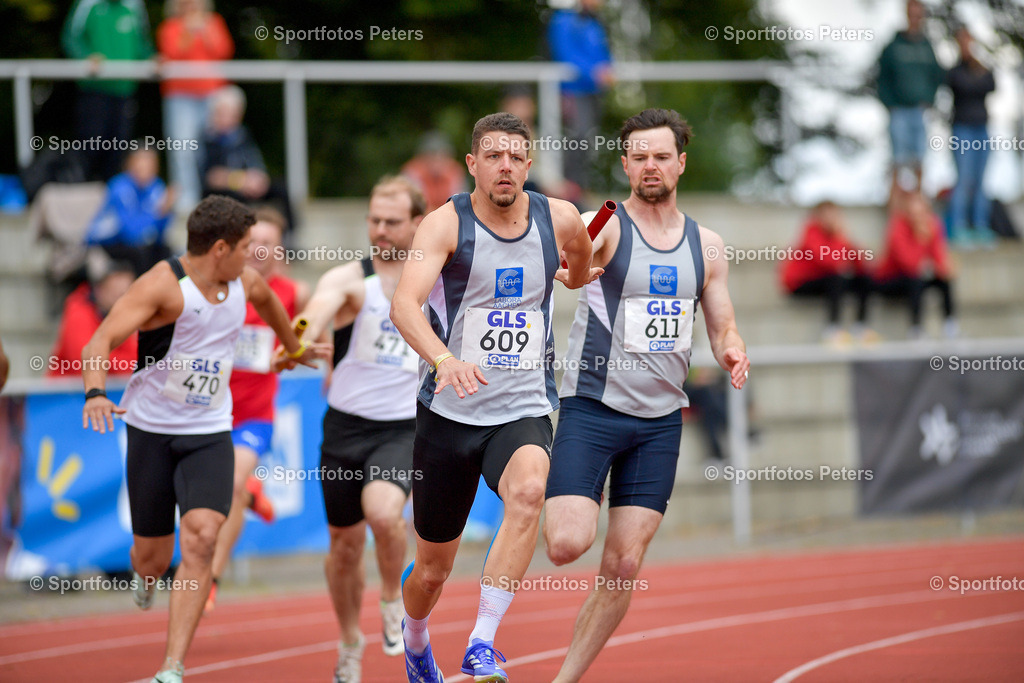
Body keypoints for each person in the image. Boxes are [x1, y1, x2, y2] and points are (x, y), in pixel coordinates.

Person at [390, 112, 600, 682]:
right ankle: (415, 640)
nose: (505, 166)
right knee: (432, 570)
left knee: (530, 491)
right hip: (449, 413)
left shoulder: (557, 219)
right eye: (493, 156)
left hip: (523, 405)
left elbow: (581, 264)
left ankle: (482, 642)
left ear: (528, 166)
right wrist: (445, 360)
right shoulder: (443, 225)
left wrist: (577, 275)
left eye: (515, 156)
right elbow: (404, 306)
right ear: (473, 165)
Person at [80, 195, 326, 683]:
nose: (253, 258)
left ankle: (172, 666)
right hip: (152, 432)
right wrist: (93, 393)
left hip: (211, 430)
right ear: (220, 249)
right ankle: (146, 577)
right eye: (246, 248)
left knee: (202, 537)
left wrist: (293, 348)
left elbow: (271, 303)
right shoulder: (162, 288)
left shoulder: (245, 282)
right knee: (151, 557)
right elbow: (98, 341)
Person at [543, 108, 750, 683]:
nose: (650, 166)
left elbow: (722, 323)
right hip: (593, 408)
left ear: (681, 163)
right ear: (627, 164)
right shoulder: (606, 224)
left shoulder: (706, 247)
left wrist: (731, 348)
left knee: (625, 562)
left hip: (659, 423)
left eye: (661, 156)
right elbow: (574, 252)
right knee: (564, 543)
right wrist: (573, 266)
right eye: (639, 157)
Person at [291, 176, 425, 683]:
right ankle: (350, 639)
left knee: (384, 513)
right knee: (344, 547)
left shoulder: (435, 277)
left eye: (392, 221)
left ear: (417, 222)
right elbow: (312, 314)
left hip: (403, 426)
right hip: (345, 430)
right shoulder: (351, 280)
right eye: (374, 220)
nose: (381, 230)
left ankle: (393, 595)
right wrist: (297, 339)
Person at [204, 207, 309, 613]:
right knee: (211, 492)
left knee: (229, 483)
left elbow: (315, 325)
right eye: (254, 243)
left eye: (268, 244)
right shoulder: (218, 289)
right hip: (208, 413)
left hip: (254, 416)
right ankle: (251, 495)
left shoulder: (292, 292)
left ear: (279, 251)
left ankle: (211, 576)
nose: (259, 251)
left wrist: (299, 345)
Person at [61, 0, 155, 181]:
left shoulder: (135, 6)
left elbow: (141, 43)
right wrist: (85, 56)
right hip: (94, 89)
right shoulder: (87, 4)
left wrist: (152, 58)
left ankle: (112, 200)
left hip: (125, 90)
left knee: (119, 148)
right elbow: (70, 37)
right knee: (91, 145)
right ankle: (83, 194)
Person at [157, 0, 235, 211]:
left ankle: (216, 197)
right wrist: (189, 32)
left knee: (212, 146)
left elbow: (224, 51)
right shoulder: (170, 26)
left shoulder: (214, 22)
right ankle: (186, 201)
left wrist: (206, 30)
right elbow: (172, 53)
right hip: (180, 96)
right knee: (183, 148)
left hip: (211, 94)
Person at [779, 201, 876, 345]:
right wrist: (841, 238)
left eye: (834, 214)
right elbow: (828, 261)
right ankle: (832, 329)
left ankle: (860, 327)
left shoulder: (838, 235)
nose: (831, 218)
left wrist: (848, 240)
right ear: (818, 217)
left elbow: (860, 264)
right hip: (800, 282)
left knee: (864, 280)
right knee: (836, 279)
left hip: (825, 280)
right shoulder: (811, 232)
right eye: (827, 215)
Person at [876, 0, 945, 200]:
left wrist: (929, 99)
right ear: (906, 14)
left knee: (920, 161)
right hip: (898, 112)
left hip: (919, 111)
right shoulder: (893, 47)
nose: (916, 17)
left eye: (919, 13)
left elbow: (937, 76)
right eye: (912, 12)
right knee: (897, 161)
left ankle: (919, 211)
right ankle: (895, 213)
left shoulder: (927, 47)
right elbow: (882, 78)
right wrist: (890, 104)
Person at [201, 85, 295, 232]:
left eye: (233, 114)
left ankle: (290, 236)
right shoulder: (207, 138)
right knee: (233, 199)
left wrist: (259, 178)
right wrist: (240, 181)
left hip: (248, 185)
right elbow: (211, 177)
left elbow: (255, 161)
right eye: (224, 113)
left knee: (280, 188)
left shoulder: (242, 134)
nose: (229, 118)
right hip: (224, 190)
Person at [547, 0, 615, 193]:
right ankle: (570, 188)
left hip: (592, 92)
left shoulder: (595, 23)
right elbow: (564, 54)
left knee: (588, 139)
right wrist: (594, 72)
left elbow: (604, 56)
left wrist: (608, 70)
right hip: (572, 91)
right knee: (577, 137)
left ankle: (580, 188)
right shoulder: (563, 20)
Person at [874, 192, 958, 339]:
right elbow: (908, 263)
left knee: (944, 281)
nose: (917, 217)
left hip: (917, 275)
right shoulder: (897, 227)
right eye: (913, 213)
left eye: (921, 212)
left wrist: (944, 268)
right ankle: (916, 329)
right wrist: (921, 239)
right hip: (892, 278)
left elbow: (940, 258)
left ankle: (950, 326)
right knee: (915, 279)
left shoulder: (934, 224)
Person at [86, 147, 176, 276]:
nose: (146, 171)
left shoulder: (156, 186)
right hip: (106, 241)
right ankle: (143, 294)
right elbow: (130, 233)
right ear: (130, 165)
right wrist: (160, 213)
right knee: (140, 253)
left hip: (133, 241)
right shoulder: (120, 187)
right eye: (141, 165)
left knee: (165, 251)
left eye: (150, 166)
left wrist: (165, 214)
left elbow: (159, 236)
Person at [946, 26, 997, 248]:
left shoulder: (981, 67)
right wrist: (976, 80)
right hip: (962, 129)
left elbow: (992, 84)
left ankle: (980, 227)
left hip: (982, 129)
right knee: (964, 179)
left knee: (981, 181)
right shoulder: (955, 70)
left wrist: (976, 80)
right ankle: (958, 228)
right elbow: (963, 86)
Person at [48, 256, 138, 377]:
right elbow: (84, 361)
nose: (122, 300)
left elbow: (135, 360)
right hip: (67, 392)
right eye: (117, 293)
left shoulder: (124, 316)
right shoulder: (78, 310)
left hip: (105, 389)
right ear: (99, 288)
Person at [401, 132, 468, 213]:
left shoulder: (455, 172)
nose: (437, 161)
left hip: (449, 218)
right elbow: (416, 207)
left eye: (442, 156)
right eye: (432, 155)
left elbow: (461, 205)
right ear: (422, 157)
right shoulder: (412, 173)